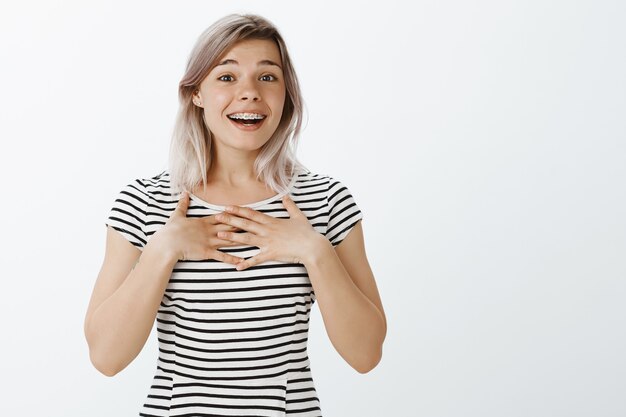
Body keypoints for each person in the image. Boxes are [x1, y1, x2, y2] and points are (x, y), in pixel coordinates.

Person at [84, 13, 386, 417]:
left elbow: (366, 355)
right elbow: (106, 358)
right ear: (196, 93)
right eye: (227, 77)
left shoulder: (325, 200)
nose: (249, 93)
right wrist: (163, 250)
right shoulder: (144, 201)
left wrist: (314, 251)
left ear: (287, 94)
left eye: (267, 77)